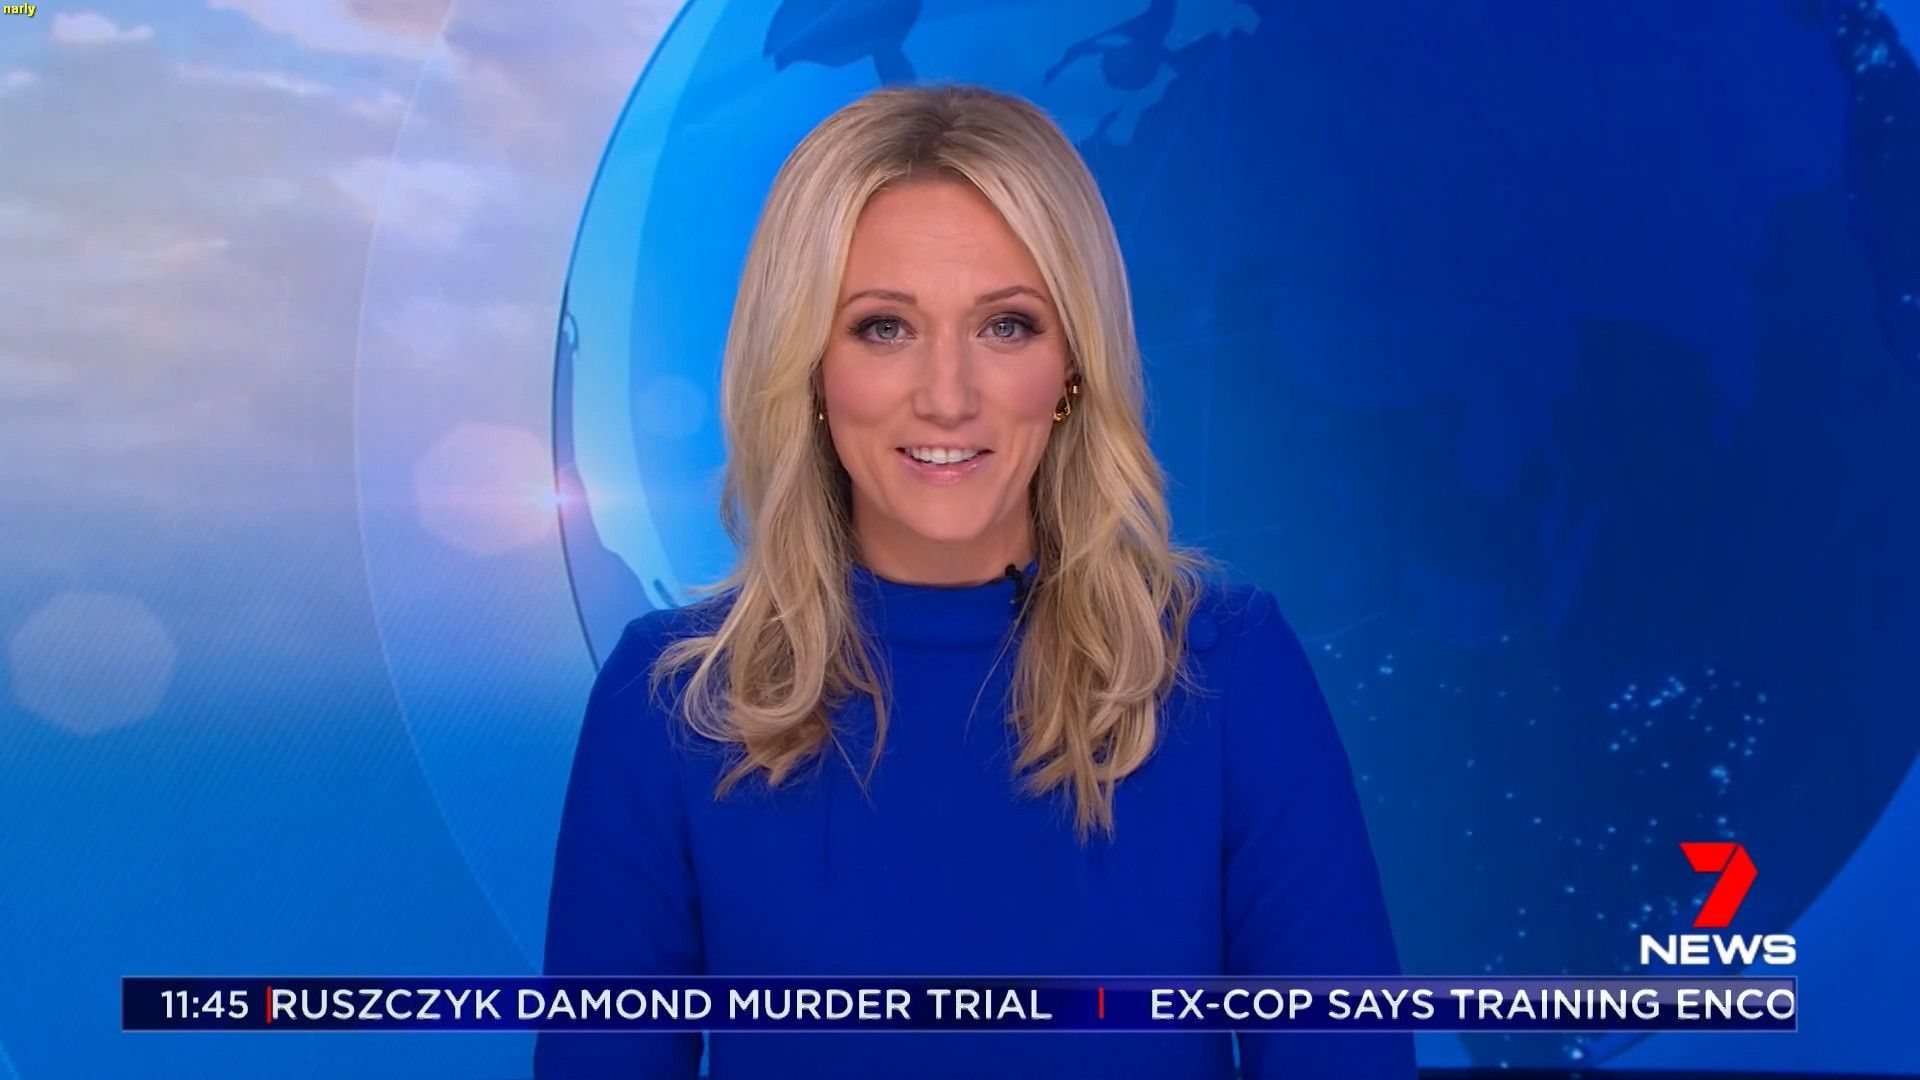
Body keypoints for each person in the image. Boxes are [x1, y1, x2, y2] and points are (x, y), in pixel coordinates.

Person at [535, 82, 1413, 1079]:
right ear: (809, 365)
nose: (947, 397)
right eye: (884, 327)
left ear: (1073, 363)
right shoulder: (669, 707)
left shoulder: (1229, 676)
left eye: (1006, 326)